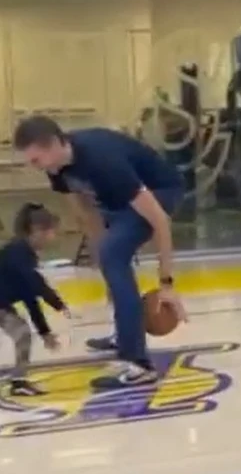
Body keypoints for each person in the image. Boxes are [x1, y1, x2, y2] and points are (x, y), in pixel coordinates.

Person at [13, 115, 187, 390]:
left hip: (161, 191)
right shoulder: (57, 168)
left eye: (36, 160)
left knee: (114, 253)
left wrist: (166, 283)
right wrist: (106, 267)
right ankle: (125, 333)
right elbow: (87, 212)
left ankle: (139, 364)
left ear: (54, 145)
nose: (34, 167)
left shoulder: (103, 162)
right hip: (118, 201)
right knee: (110, 255)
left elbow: (160, 221)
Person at [0, 203, 70, 396]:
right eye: (52, 232)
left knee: (22, 335)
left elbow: (30, 294)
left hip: (2, 306)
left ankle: (19, 381)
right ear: (37, 231)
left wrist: (45, 330)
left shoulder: (24, 255)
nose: (53, 238)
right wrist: (56, 304)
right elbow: (36, 287)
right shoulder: (17, 254)